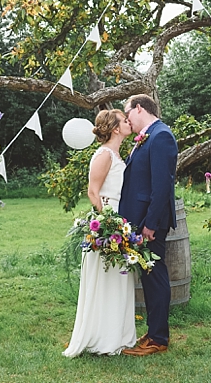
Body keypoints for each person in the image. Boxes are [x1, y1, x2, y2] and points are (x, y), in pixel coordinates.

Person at [63, 109, 138, 357]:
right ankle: (101, 338)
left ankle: (119, 335)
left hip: (120, 220)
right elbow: (93, 192)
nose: (129, 123)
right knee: (106, 279)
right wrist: (107, 223)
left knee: (119, 279)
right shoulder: (104, 154)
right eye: (124, 121)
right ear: (116, 128)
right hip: (107, 223)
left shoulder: (118, 153)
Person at [118, 94, 177, 356]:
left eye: (127, 113)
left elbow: (162, 185)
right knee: (150, 276)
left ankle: (158, 338)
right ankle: (154, 332)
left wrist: (150, 224)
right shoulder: (147, 137)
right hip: (141, 220)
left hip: (150, 223)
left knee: (155, 276)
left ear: (139, 108)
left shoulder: (161, 135)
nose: (127, 119)